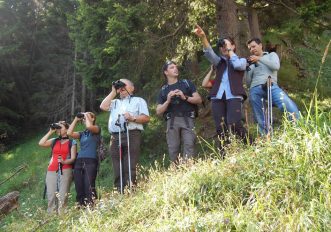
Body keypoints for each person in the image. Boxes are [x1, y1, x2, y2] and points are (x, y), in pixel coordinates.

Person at [194, 25, 249, 154]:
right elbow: (209, 54)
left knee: (234, 123)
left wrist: (230, 50)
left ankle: (250, 145)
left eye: (227, 45)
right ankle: (224, 155)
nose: (224, 47)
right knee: (220, 127)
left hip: (234, 96)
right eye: (222, 46)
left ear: (233, 46)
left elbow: (238, 65)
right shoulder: (219, 62)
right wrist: (203, 37)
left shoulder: (241, 60)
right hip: (218, 97)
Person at [100, 79, 150, 192]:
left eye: (124, 84)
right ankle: (119, 191)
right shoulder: (115, 102)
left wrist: (133, 118)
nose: (121, 87)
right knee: (117, 166)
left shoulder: (138, 100)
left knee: (130, 163)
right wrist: (113, 91)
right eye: (119, 85)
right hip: (115, 136)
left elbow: (146, 118)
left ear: (132, 88)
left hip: (132, 133)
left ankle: (131, 190)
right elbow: (103, 106)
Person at [246, 38, 300, 135]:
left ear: (260, 45)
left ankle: (299, 129)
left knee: (287, 104)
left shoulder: (272, 55)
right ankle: (266, 137)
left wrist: (259, 59)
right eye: (250, 48)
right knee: (260, 116)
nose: (252, 49)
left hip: (271, 85)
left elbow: (276, 66)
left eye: (253, 46)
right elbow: (248, 83)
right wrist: (248, 69)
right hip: (255, 88)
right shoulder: (252, 63)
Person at [156, 60, 202, 163]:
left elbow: (198, 99)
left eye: (176, 67)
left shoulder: (186, 83)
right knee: (173, 148)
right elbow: (158, 111)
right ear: (166, 72)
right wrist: (167, 101)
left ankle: (188, 169)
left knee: (189, 144)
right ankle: (176, 172)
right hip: (172, 121)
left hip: (188, 118)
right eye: (172, 67)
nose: (175, 69)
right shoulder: (163, 90)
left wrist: (184, 97)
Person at [38, 121, 77, 214]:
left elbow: (73, 158)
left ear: (67, 129)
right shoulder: (54, 140)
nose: (58, 129)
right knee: (51, 195)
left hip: (66, 169)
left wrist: (64, 162)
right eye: (57, 128)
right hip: (51, 170)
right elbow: (41, 143)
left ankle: (62, 216)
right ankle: (51, 216)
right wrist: (51, 131)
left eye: (61, 127)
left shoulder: (72, 142)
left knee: (63, 195)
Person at [67, 112, 100, 207]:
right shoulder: (82, 133)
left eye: (88, 117)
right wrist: (76, 119)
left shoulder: (96, 129)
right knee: (79, 184)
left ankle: (92, 204)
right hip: (79, 160)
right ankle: (81, 205)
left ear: (93, 119)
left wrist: (85, 115)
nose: (85, 119)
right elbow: (69, 133)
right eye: (84, 118)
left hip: (91, 160)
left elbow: (90, 127)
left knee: (88, 183)